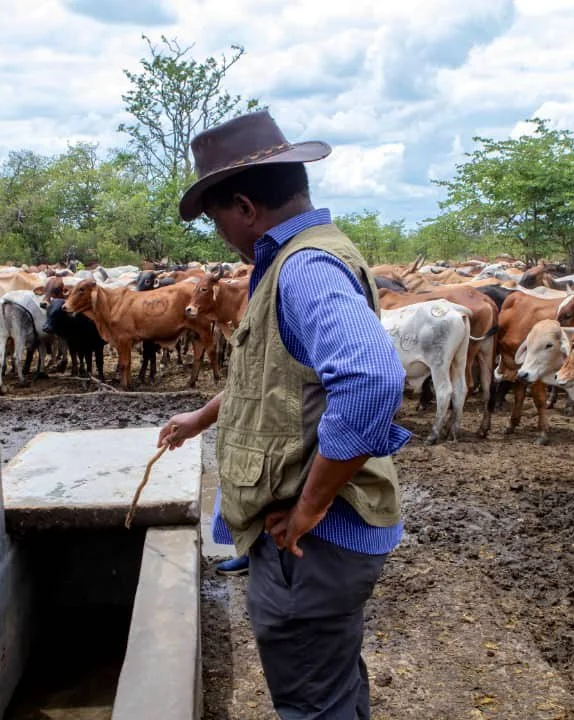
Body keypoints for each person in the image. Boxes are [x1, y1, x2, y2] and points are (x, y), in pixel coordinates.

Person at [158, 110, 410, 719]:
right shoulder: (302, 257)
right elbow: (281, 377)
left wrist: (310, 507)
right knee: (331, 685)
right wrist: (204, 416)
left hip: (310, 547)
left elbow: (372, 379)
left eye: (216, 217)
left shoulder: (304, 268)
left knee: (310, 704)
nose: (219, 232)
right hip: (318, 549)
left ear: (245, 206)